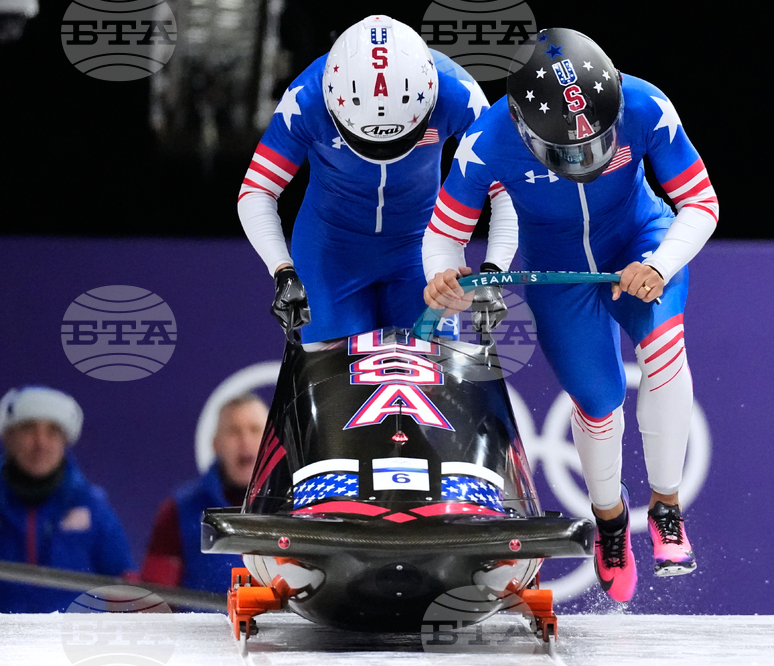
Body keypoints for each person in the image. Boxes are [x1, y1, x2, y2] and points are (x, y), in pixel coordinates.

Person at [422, 28, 719, 602]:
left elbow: (701, 202)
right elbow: (443, 237)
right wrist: (444, 275)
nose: (585, 159)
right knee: (600, 402)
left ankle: (666, 506)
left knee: (663, 352)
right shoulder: (486, 143)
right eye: (568, 151)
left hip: (639, 241)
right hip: (558, 276)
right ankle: (610, 520)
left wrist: (658, 264)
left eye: (597, 143)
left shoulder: (646, 105)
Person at [238, 14, 518, 342]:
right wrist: (282, 270)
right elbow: (258, 189)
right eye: (368, 144)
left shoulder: (458, 92)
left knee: (435, 384)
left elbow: (505, 186)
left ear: (428, 102)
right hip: (330, 254)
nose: (383, 152)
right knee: (334, 387)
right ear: (333, 105)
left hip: (420, 251)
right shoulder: (306, 97)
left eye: (400, 140)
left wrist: (494, 271)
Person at [0, 386, 135, 613]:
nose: (40, 443)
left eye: (53, 431)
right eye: (28, 429)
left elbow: (125, 584)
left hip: (74, 646)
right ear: (8, 437)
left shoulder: (93, 507)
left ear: (65, 441)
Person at [140, 393, 268, 597]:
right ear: (216, 444)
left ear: (273, 442)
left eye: (255, 430)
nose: (245, 441)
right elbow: (155, 601)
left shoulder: (300, 506)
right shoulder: (178, 510)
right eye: (233, 432)